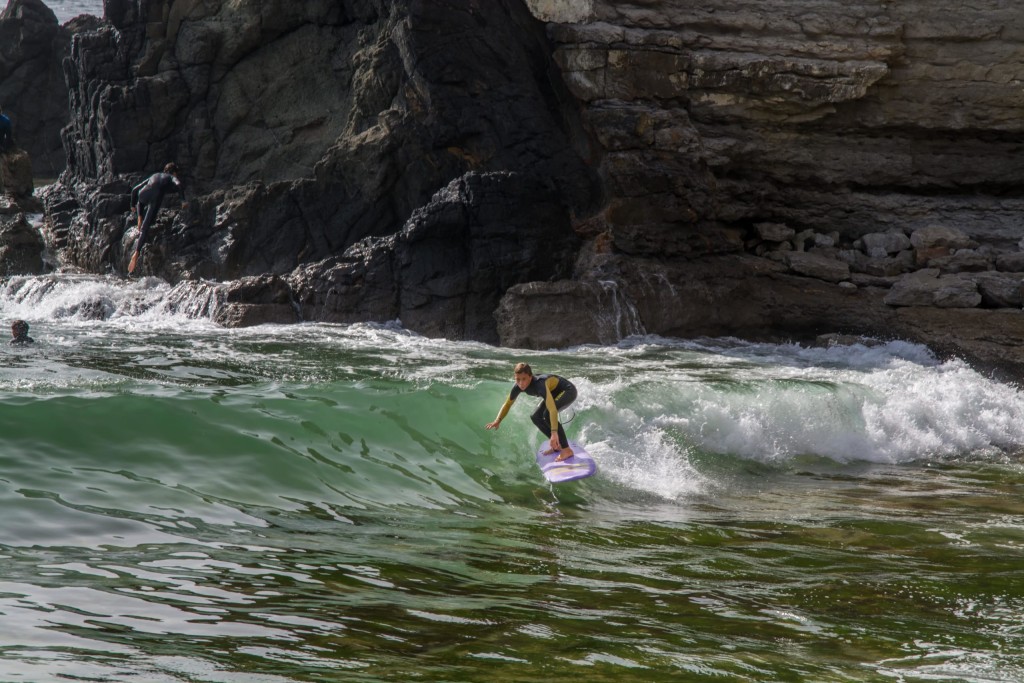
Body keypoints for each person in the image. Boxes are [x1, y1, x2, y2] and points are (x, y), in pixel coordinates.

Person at [485, 362, 578, 461]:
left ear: (530, 377)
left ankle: (567, 450)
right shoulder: (517, 387)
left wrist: (554, 432)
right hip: (553, 392)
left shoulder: (540, 385)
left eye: (524, 379)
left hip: (567, 390)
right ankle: (557, 445)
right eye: (518, 379)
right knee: (535, 416)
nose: (521, 383)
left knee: (547, 414)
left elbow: (552, 410)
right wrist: (498, 420)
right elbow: (507, 404)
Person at [128, 162, 184, 274]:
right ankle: (136, 252)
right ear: (173, 172)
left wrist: (132, 205)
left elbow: (134, 190)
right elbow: (178, 184)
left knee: (141, 202)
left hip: (142, 194)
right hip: (155, 197)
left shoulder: (154, 175)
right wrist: (183, 200)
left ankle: (139, 217)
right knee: (145, 228)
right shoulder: (171, 177)